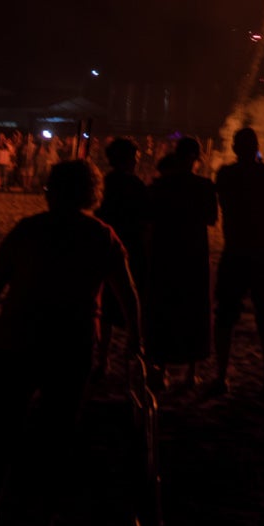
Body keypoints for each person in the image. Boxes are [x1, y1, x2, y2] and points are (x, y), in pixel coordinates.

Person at [0, 158, 141, 526]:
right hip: (70, 344)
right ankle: (42, 522)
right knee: (57, 434)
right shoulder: (101, 235)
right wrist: (136, 340)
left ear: (52, 190)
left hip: (15, 341)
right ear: (93, 193)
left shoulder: (28, 230)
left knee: (4, 430)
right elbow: (128, 295)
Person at [212, 126, 264, 395]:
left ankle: (221, 376)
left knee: (225, 315)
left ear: (235, 148)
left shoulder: (226, 174)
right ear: (257, 147)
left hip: (235, 251)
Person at [145, 136, 218, 389]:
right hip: (193, 254)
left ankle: (159, 370)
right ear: (196, 158)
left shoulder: (160, 186)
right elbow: (211, 218)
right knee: (194, 310)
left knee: (163, 308)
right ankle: (190, 373)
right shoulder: (205, 186)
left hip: (165, 252)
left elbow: (148, 217)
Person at [96, 137, 150, 380]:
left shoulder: (103, 183)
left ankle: (103, 359)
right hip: (128, 247)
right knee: (130, 299)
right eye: (135, 158)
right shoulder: (135, 185)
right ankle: (132, 350)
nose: (137, 162)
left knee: (106, 306)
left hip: (106, 246)